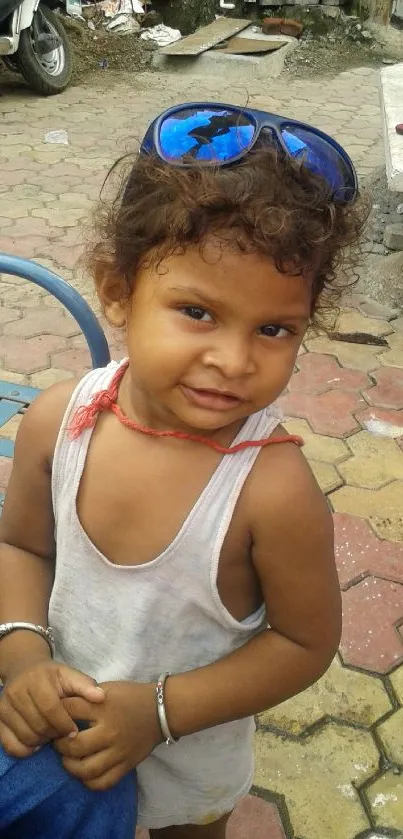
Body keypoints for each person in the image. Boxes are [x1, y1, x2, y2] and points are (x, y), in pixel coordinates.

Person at [0, 103, 367, 838]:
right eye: (197, 311)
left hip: (187, 766)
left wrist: (159, 711)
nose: (233, 361)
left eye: (273, 329)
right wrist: (23, 652)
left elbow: (301, 643)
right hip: (54, 728)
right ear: (116, 288)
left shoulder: (272, 489)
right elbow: (21, 547)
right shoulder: (57, 421)